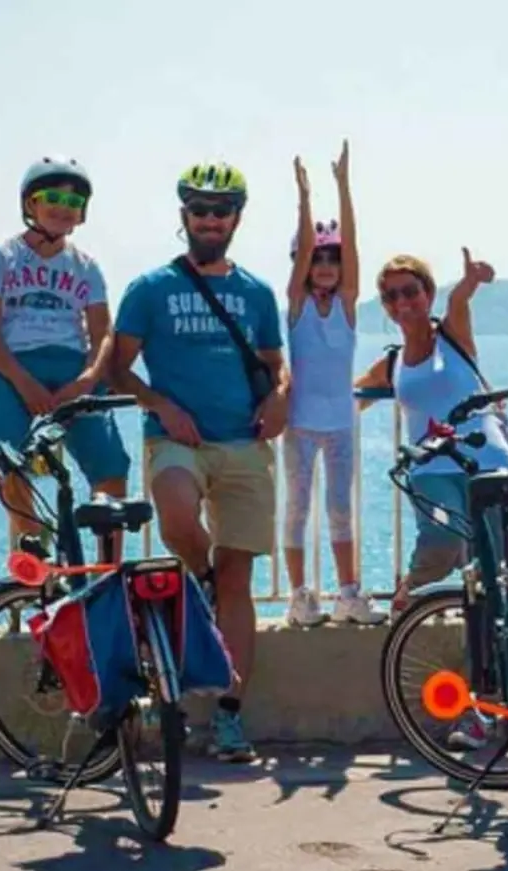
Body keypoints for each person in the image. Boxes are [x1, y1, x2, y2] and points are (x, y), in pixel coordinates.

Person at [110, 161, 290, 763]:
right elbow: (117, 365)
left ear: (237, 217)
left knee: (239, 579)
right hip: (175, 438)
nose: (210, 220)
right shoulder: (151, 287)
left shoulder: (257, 292)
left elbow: (273, 362)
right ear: (183, 215)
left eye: (222, 211)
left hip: (242, 442)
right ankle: (202, 579)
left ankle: (230, 717)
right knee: (178, 517)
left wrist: (279, 397)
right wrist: (158, 401)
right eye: (200, 210)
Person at [354, 248, 508, 750]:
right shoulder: (394, 361)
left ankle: (492, 706)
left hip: (488, 463)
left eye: (411, 291)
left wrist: (467, 286)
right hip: (431, 469)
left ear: (427, 293)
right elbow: (347, 397)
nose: (403, 302)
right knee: (442, 540)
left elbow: (460, 302)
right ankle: (413, 585)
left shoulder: (454, 337)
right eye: (392, 295)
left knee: (496, 592)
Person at [0, 156, 130, 556]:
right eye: (53, 197)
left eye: (73, 202)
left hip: (72, 368)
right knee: (6, 462)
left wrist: (87, 379)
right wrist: (23, 382)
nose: (63, 207)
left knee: (111, 467)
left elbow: (102, 333)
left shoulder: (87, 266)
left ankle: (105, 569)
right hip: (9, 365)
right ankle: (35, 554)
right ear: (31, 204)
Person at [282, 142, 383, 627]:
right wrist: (304, 199)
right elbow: (304, 253)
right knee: (297, 507)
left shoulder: (346, 304)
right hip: (300, 422)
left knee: (342, 508)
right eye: (315, 259)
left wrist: (344, 186)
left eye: (331, 259)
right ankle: (301, 595)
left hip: (341, 422)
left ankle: (347, 592)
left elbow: (355, 248)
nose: (324, 266)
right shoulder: (296, 308)